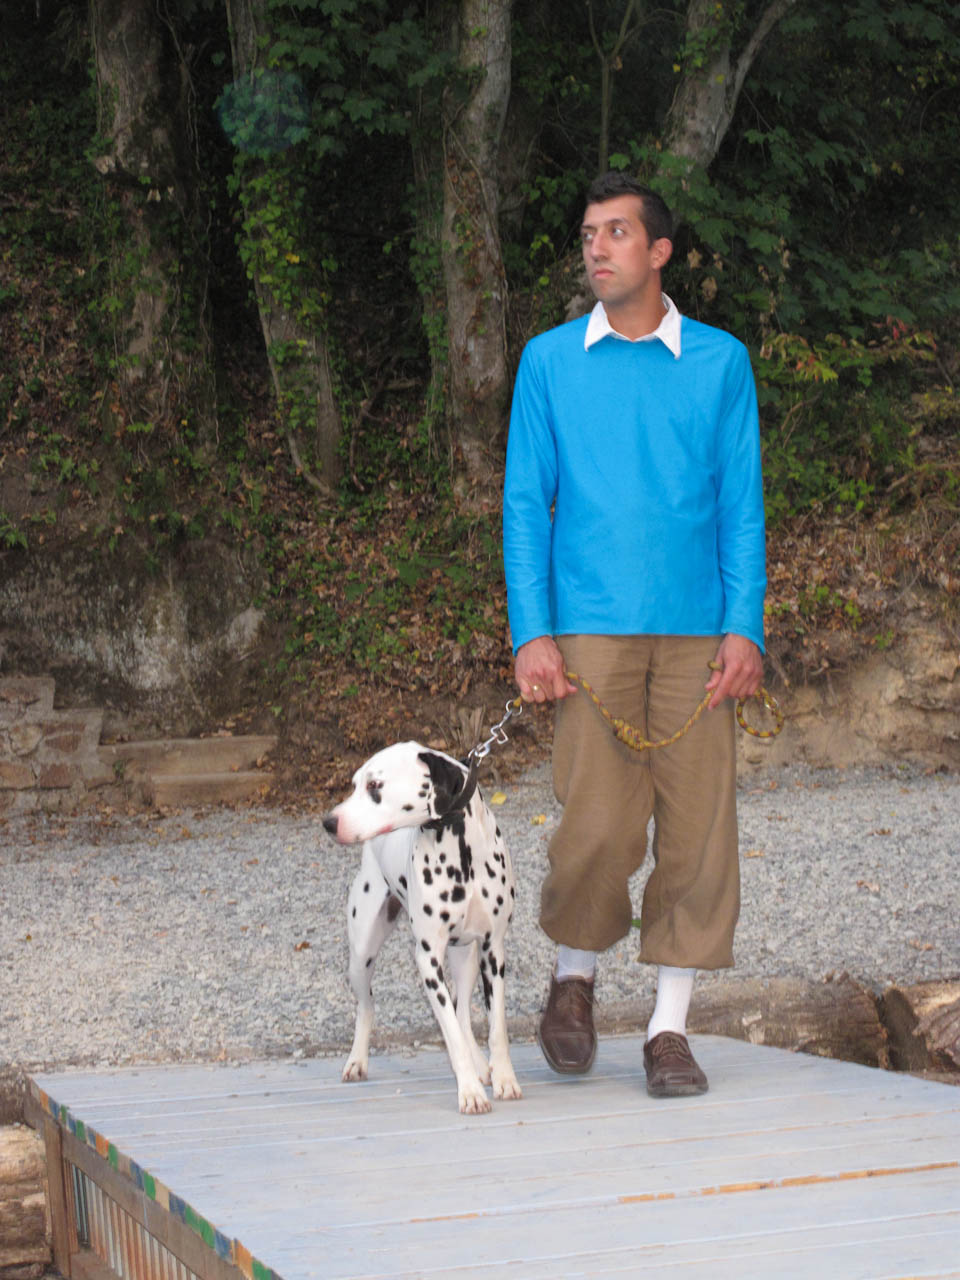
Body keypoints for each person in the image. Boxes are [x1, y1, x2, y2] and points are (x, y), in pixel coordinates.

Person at [502, 171, 766, 1096]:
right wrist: (532, 632)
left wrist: (745, 625)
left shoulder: (720, 362)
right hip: (589, 629)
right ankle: (572, 982)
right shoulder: (549, 362)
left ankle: (668, 1029)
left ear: (659, 252)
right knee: (597, 824)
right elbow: (525, 504)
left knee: (699, 831)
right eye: (588, 234)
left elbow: (741, 503)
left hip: (699, 633)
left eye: (616, 232)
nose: (597, 247)